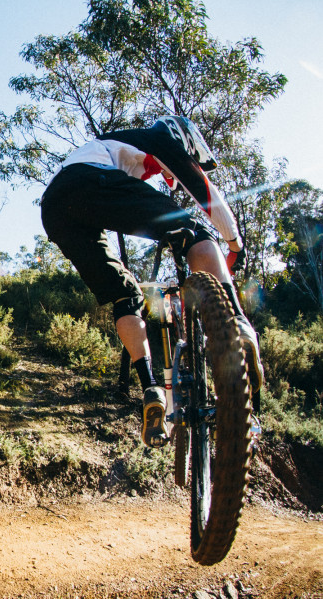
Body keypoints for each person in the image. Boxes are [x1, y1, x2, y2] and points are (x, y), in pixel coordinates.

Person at [40, 115, 264, 447]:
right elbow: (204, 191)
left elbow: (121, 201)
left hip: (55, 209)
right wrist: (233, 243)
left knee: (125, 295)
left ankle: (150, 389)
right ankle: (236, 321)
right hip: (90, 182)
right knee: (195, 233)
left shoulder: (113, 147)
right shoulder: (159, 139)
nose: (167, 173)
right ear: (182, 139)